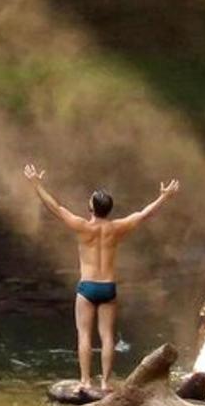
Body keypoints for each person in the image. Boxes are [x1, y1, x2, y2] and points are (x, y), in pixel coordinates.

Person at [22, 163, 180, 391]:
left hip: (87, 286)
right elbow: (145, 214)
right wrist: (164, 197)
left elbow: (54, 208)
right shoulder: (117, 228)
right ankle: (106, 382)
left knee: (84, 334)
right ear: (109, 209)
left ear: (91, 207)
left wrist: (36, 184)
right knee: (107, 337)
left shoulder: (82, 227)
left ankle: (85, 381)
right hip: (108, 287)